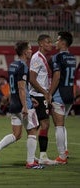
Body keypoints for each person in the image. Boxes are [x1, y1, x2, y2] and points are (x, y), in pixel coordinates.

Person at [0, 41, 44, 169]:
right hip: (23, 104)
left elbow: (14, 87)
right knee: (32, 131)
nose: (31, 51)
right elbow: (21, 88)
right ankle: (30, 162)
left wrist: (23, 99)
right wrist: (25, 105)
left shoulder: (12, 64)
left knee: (17, 134)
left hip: (13, 104)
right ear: (25, 52)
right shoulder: (23, 66)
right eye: (30, 49)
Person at [29, 34, 57, 165]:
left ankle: (33, 156)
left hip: (40, 95)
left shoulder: (42, 58)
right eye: (47, 42)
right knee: (45, 124)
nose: (50, 44)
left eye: (51, 42)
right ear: (40, 43)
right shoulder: (36, 58)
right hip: (38, 96)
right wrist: (45, 92)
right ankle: (43, 156)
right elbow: (32, 79)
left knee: (38, 125)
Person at [49, 31, 76, 164]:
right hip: (70, 95)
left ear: (63, 43)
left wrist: (49, 93)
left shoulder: (56, 58)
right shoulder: (72, 57)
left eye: (58, 40)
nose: (55, 42)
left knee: (58, 126)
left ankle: (61, 156)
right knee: (62, 124)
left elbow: (57, 76)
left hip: (59, 95)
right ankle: (65, 151)